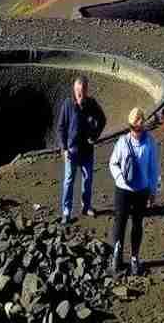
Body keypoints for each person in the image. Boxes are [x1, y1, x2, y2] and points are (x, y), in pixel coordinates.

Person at [108, 106, 161, 276]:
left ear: (143, 125)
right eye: (132, 128)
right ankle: (117, 256)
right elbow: (112, 163)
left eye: (138, 128)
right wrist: (119, 178)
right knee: (120, 223)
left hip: (141, 191)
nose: (135, 131)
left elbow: (153, 169)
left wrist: (153, 191)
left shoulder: (150, 142)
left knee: (137, 224)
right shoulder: (122, 142)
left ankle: (134, 258)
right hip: (123, 190)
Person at [57, 75, 106, 224]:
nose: (80, 93)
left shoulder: (91, 104)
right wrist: (64, 148)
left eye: (83, 90)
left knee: (87, 180)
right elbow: (61, 127)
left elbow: (102, 119)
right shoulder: (67, 104)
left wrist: (95, 136)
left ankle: (86, 206)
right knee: (68, 181)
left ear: (86, 90)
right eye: (78, 90)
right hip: (71, 151)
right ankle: (66, 212)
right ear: (74, 89)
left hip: (87, 151)